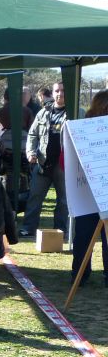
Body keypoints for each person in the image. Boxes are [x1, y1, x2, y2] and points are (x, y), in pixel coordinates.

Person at [20, 82, 70, 238]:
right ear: (52, 93)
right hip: (43, 163)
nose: (60, 93)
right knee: (34, 197)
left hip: (64, 164)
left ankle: (61, 231)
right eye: (57, 90)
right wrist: (30, 152)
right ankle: (28, 228)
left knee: (64, 200)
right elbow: (32, 134)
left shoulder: (76, 112)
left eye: (63, 90)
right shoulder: (43, 112)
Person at [71, 89, 108, 287]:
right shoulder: (85, 128)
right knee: (85, 234)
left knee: (85, 234)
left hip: (88, 191)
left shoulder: (83, 127)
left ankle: (80, 274)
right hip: (88, 189)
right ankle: (80, 273)